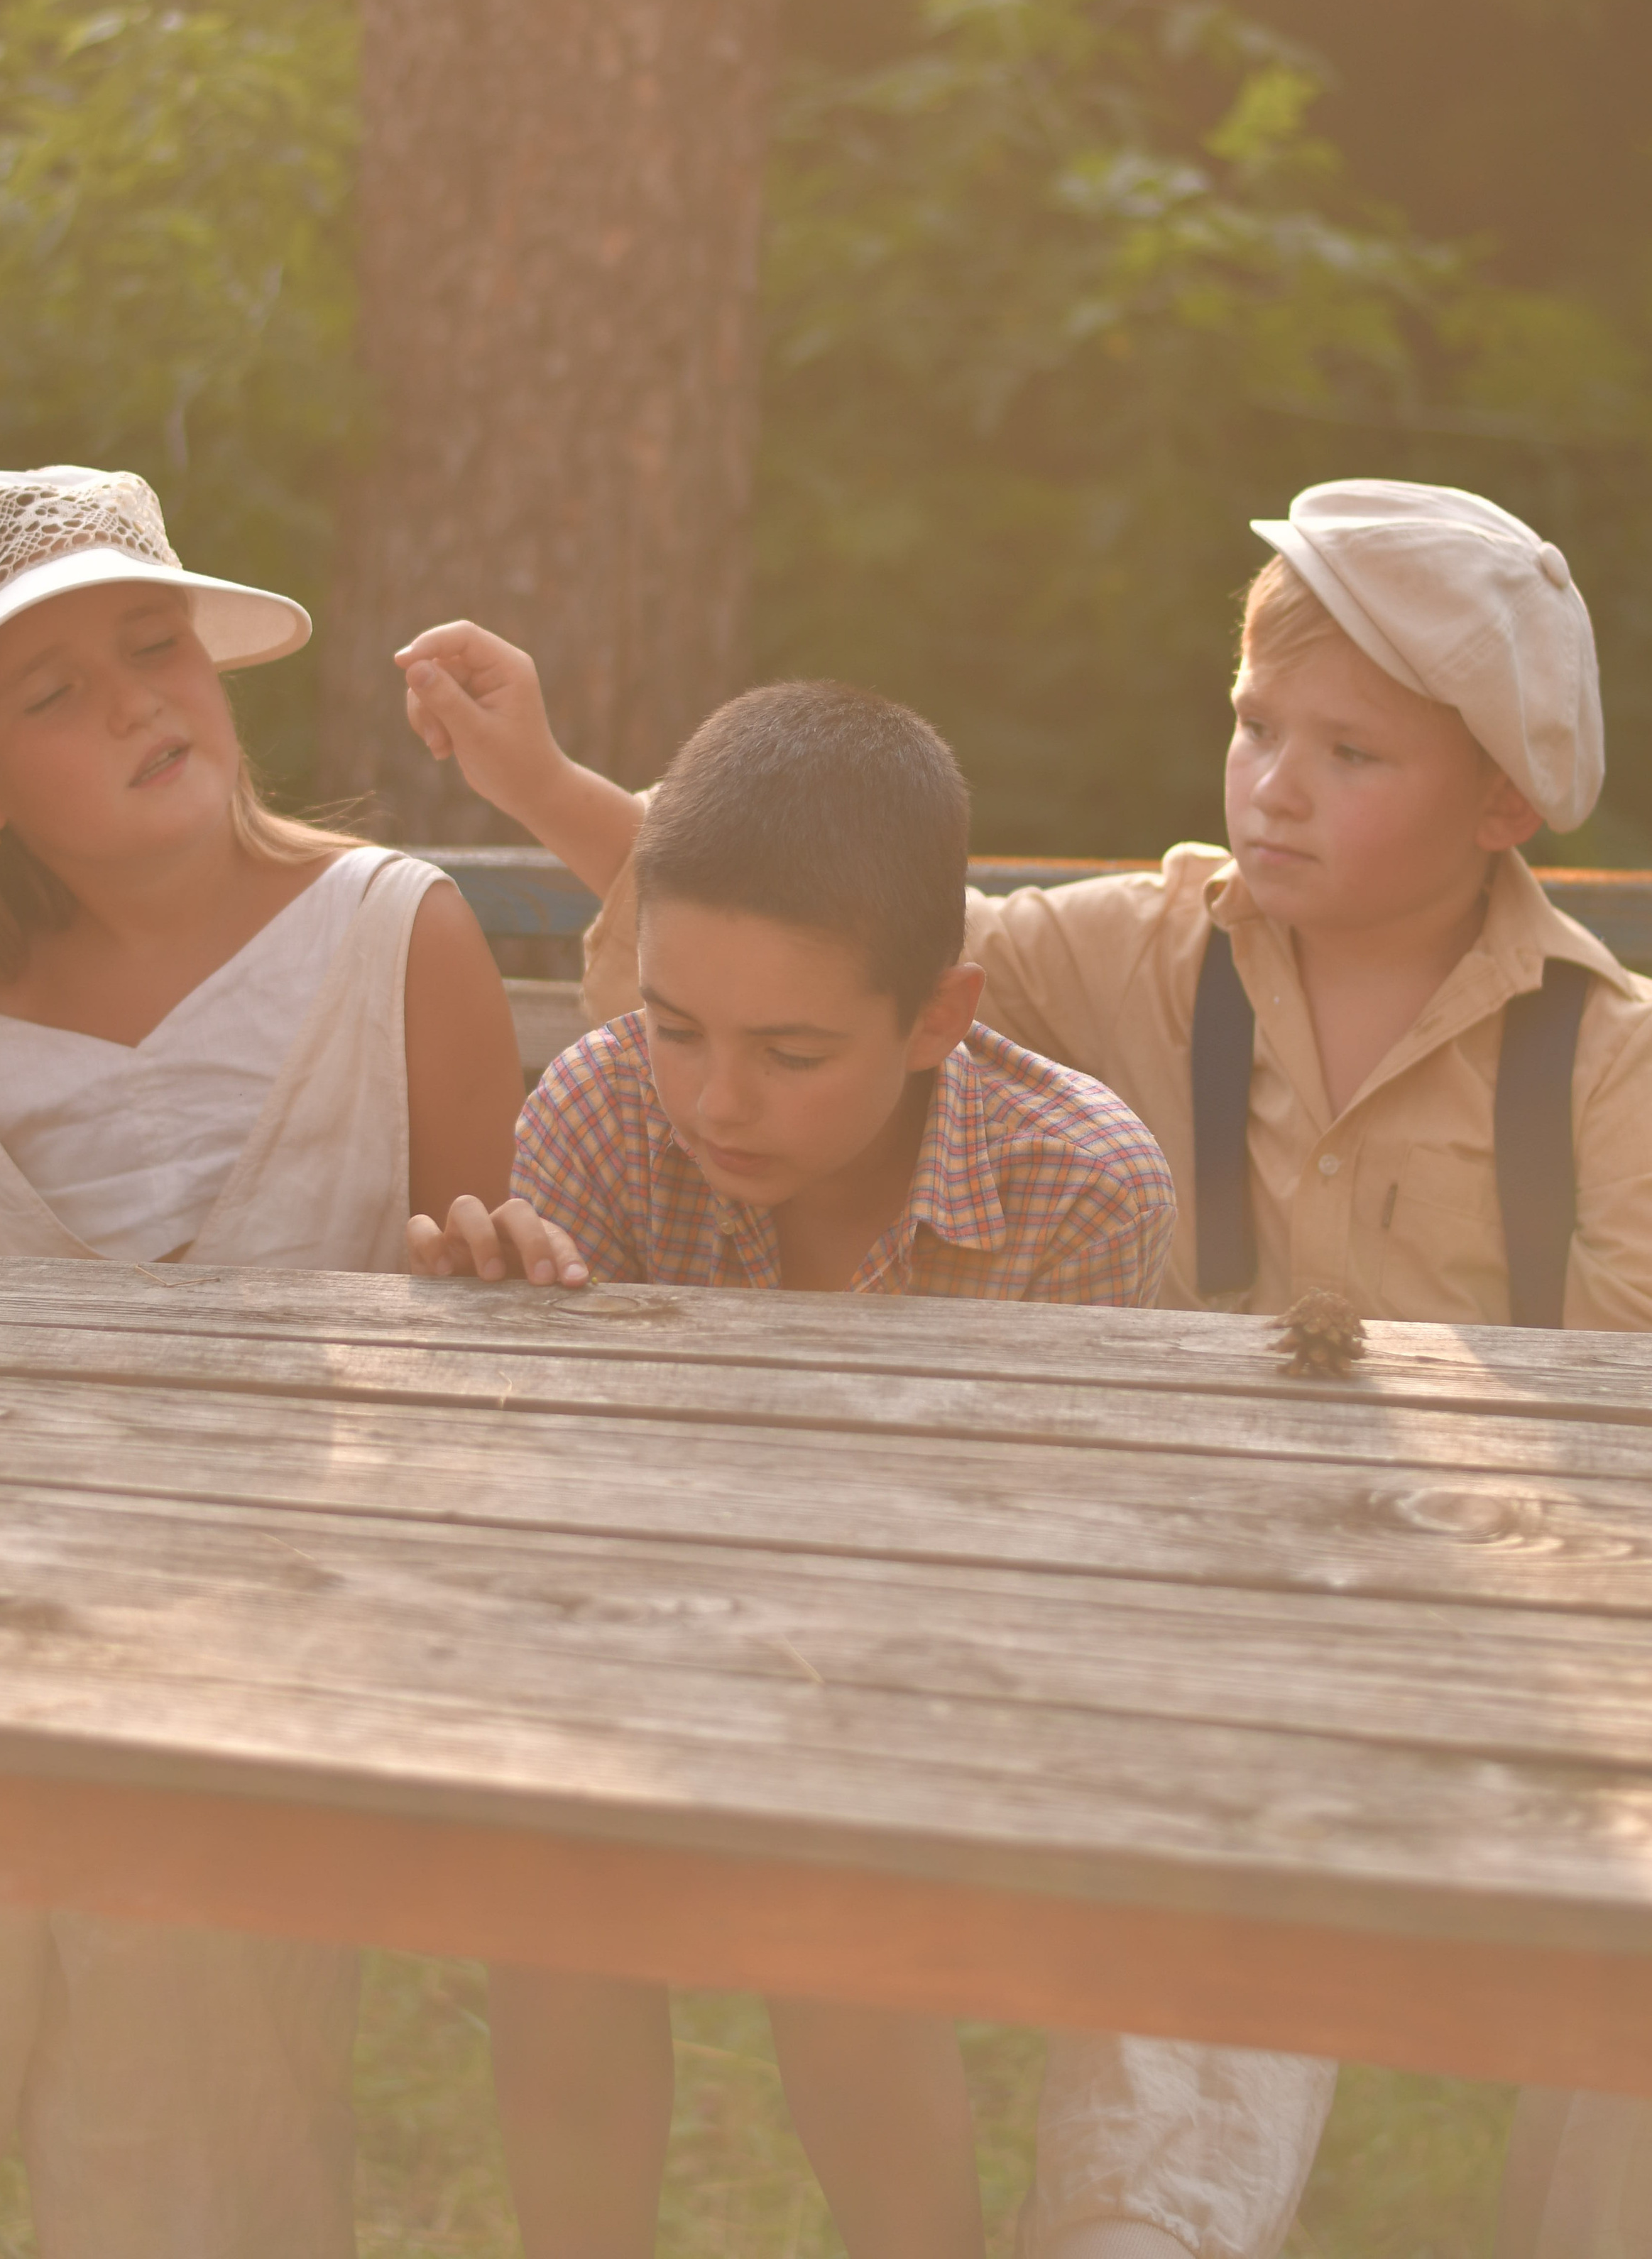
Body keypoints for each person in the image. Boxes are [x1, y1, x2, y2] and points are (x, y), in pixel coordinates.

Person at [397, 476, 1652, 2259]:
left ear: (1504, 802)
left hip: (1498, 1635)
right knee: (1181, 2025)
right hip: (1195, 1631)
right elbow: (826, 943)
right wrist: (542, 785)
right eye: (1251, 727)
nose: (1273, 783)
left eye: (1349, 754)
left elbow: (1632, 1453)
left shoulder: (1612, 1067)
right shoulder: (1142, 950)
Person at [407, 676, 1177, 2259]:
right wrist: (500, 1347)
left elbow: (1058, 1565)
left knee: (839, 1947)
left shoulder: (1078, 1187)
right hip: (638, 1662)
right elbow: (549, 1546)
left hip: (939, 1687)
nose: (714, 1098)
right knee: (559, 1925)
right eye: (674, 1025)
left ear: (937, 1020)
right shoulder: (603, 1114)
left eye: (790, 1051)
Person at [0, 464, 524, 2259]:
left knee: (188, 2113)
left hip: (272, 1668)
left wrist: (485, 1290)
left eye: (154, 647)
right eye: (54, 693)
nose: (139, 697)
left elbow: (487, 1341)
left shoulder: (396, 938)